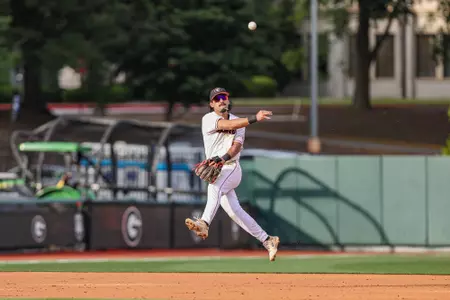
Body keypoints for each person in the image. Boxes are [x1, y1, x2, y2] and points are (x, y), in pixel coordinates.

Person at [185, 87, 280, 261]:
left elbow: (236, 145)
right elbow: (226, 125)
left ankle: (204, 223)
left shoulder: (240, 122)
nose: (222, 100)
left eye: (224, 97)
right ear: (211, 104)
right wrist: (253, 119)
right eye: (217, 98)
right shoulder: (208, 119)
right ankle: (268, 240)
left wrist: (223, 158)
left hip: (231, 167)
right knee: (235, 212)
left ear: (228, 101)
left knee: (214, 188)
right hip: (218, 170)